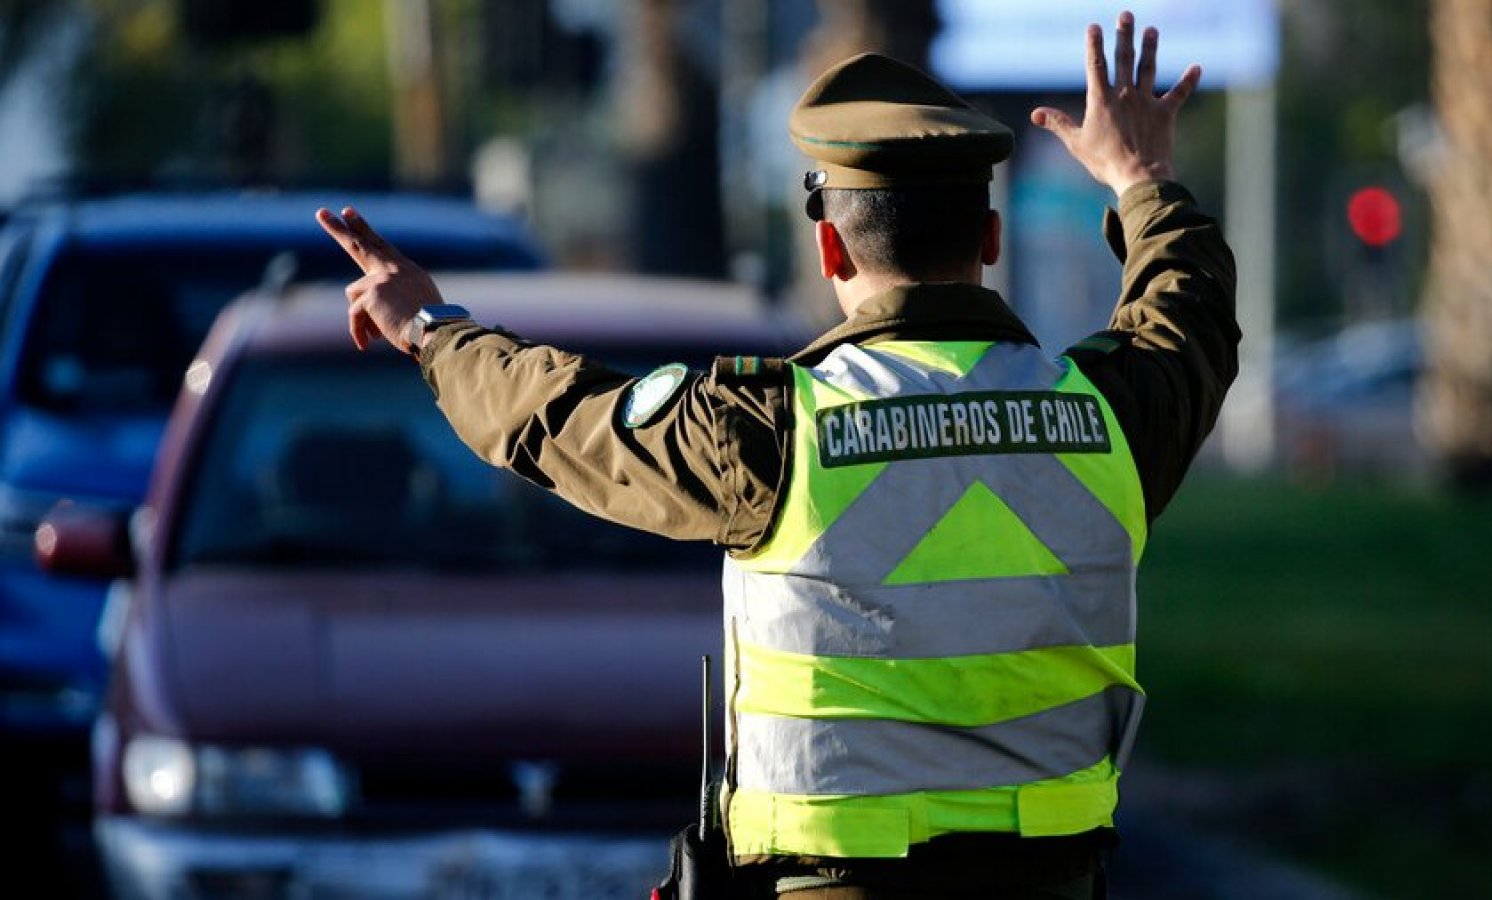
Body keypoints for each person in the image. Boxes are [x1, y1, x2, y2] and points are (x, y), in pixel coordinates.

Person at [317, 10, 1236, 898]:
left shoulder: (767, 429)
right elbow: (1189, 308)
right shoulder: (1112, 417)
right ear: (989, 240)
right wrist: (1141, 175)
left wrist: (431, 330)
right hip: (1057, 884)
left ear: (830, 243)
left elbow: (558, 415)